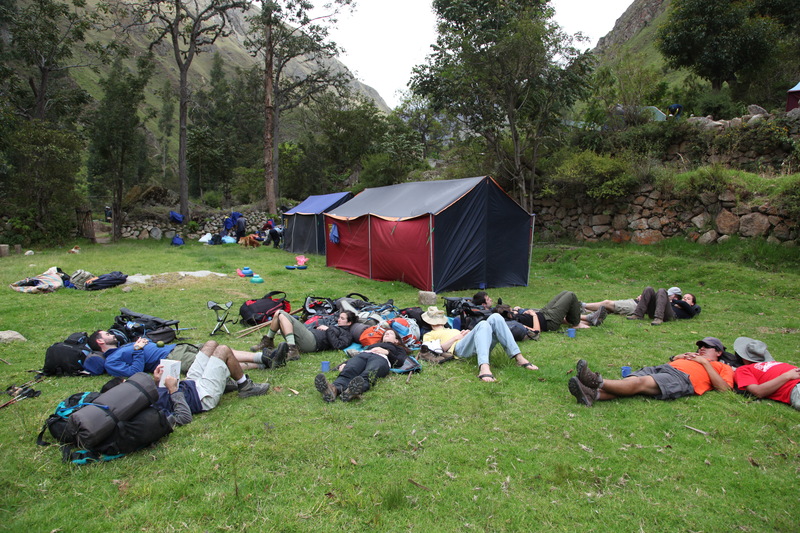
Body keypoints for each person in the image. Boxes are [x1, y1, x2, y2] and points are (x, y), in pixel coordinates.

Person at [568, 337, 733, 407]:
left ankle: (596, 381)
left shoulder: (722, 367)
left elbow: (725, 389)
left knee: (640, 383)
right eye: (700, 346)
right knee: (629, 383)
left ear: (719, 352)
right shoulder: (691, 357)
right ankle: (592, 395)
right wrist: (677, 357)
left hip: (682, 378)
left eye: (707, 347)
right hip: (664, 368)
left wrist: (705, 363)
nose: (702, 348)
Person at [153, 343, 270, 427]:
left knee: (210, 345)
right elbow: (184, 418)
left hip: (190, 382)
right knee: (223, 350)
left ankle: (223, 381)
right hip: (201, 396)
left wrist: (157, 382)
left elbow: (159, 396)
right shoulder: (149, 414)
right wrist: (174, 391)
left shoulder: (142, 398)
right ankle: (245, 386)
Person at [419, 306, 536, 383]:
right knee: (483, 324)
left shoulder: (451, 329)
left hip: (473, 343)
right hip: (458, 349)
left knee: (496, 317)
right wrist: (456, 338)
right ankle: (484, 367)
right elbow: (435, 349)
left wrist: (468, 334)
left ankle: (518, 357)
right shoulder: (429, 334)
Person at [89, 331, 277, 377]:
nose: (111, 334)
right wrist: (138, 350)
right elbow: (134, 372)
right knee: (217, 362)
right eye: (106, 334)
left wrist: (144, 343)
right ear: (100, 342)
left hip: (176, 347)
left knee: (217, 347)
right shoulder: (111, 362)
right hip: (171, 359)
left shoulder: (123, 347)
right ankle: (262, 363)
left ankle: (263, 357)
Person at [313, 329, 411, 402]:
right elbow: (355, 358)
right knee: (349, 370)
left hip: (381, 359)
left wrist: (387, 352)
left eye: (390, 333)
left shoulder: (398, 348)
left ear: (396, 340)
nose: (387, 334)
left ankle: (353, 391)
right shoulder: (373, 345)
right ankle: (333, 390)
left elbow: (400, 361)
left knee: (369, 373)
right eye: (385, 333)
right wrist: (343, 365)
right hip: (363, 355)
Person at [251, 310, 358, 362]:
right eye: (339, 317)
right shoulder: (337, 327)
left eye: (342, 318)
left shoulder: (347, 334)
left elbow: (337, 345)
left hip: (313, 342)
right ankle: (268, 341)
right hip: (309, 336)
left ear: (349, 323)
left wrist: (328, 329)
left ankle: (292, 349)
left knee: (281, 314)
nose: (338, 320)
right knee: (278, 315)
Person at [733, 337, 800, 410]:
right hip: (795, 388)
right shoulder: (744, 369)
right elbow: (758, 392)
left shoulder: (775, 363)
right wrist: (787, 376)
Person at [511, 290, 607, 333]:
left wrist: (515, 311)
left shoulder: (506, 317)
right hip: (549, 321)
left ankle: (590, 319)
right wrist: (533, 315)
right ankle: (576, 323)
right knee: (570, 295)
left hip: (543, 313)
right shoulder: (510, 324)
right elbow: (536, 331)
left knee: (564, 292)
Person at [626, 286, 700, 326]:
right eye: (684, 298)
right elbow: (660, 302)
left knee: (662, 290)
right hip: (655, 311)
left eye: (688, 299)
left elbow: (685, 304)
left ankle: (658, 318)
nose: (685, 299)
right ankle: (638, 315)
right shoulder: (675, 304)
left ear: (692, 303)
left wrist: (673, 301)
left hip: (669, 316)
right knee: (649, 289)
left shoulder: (690, 310)